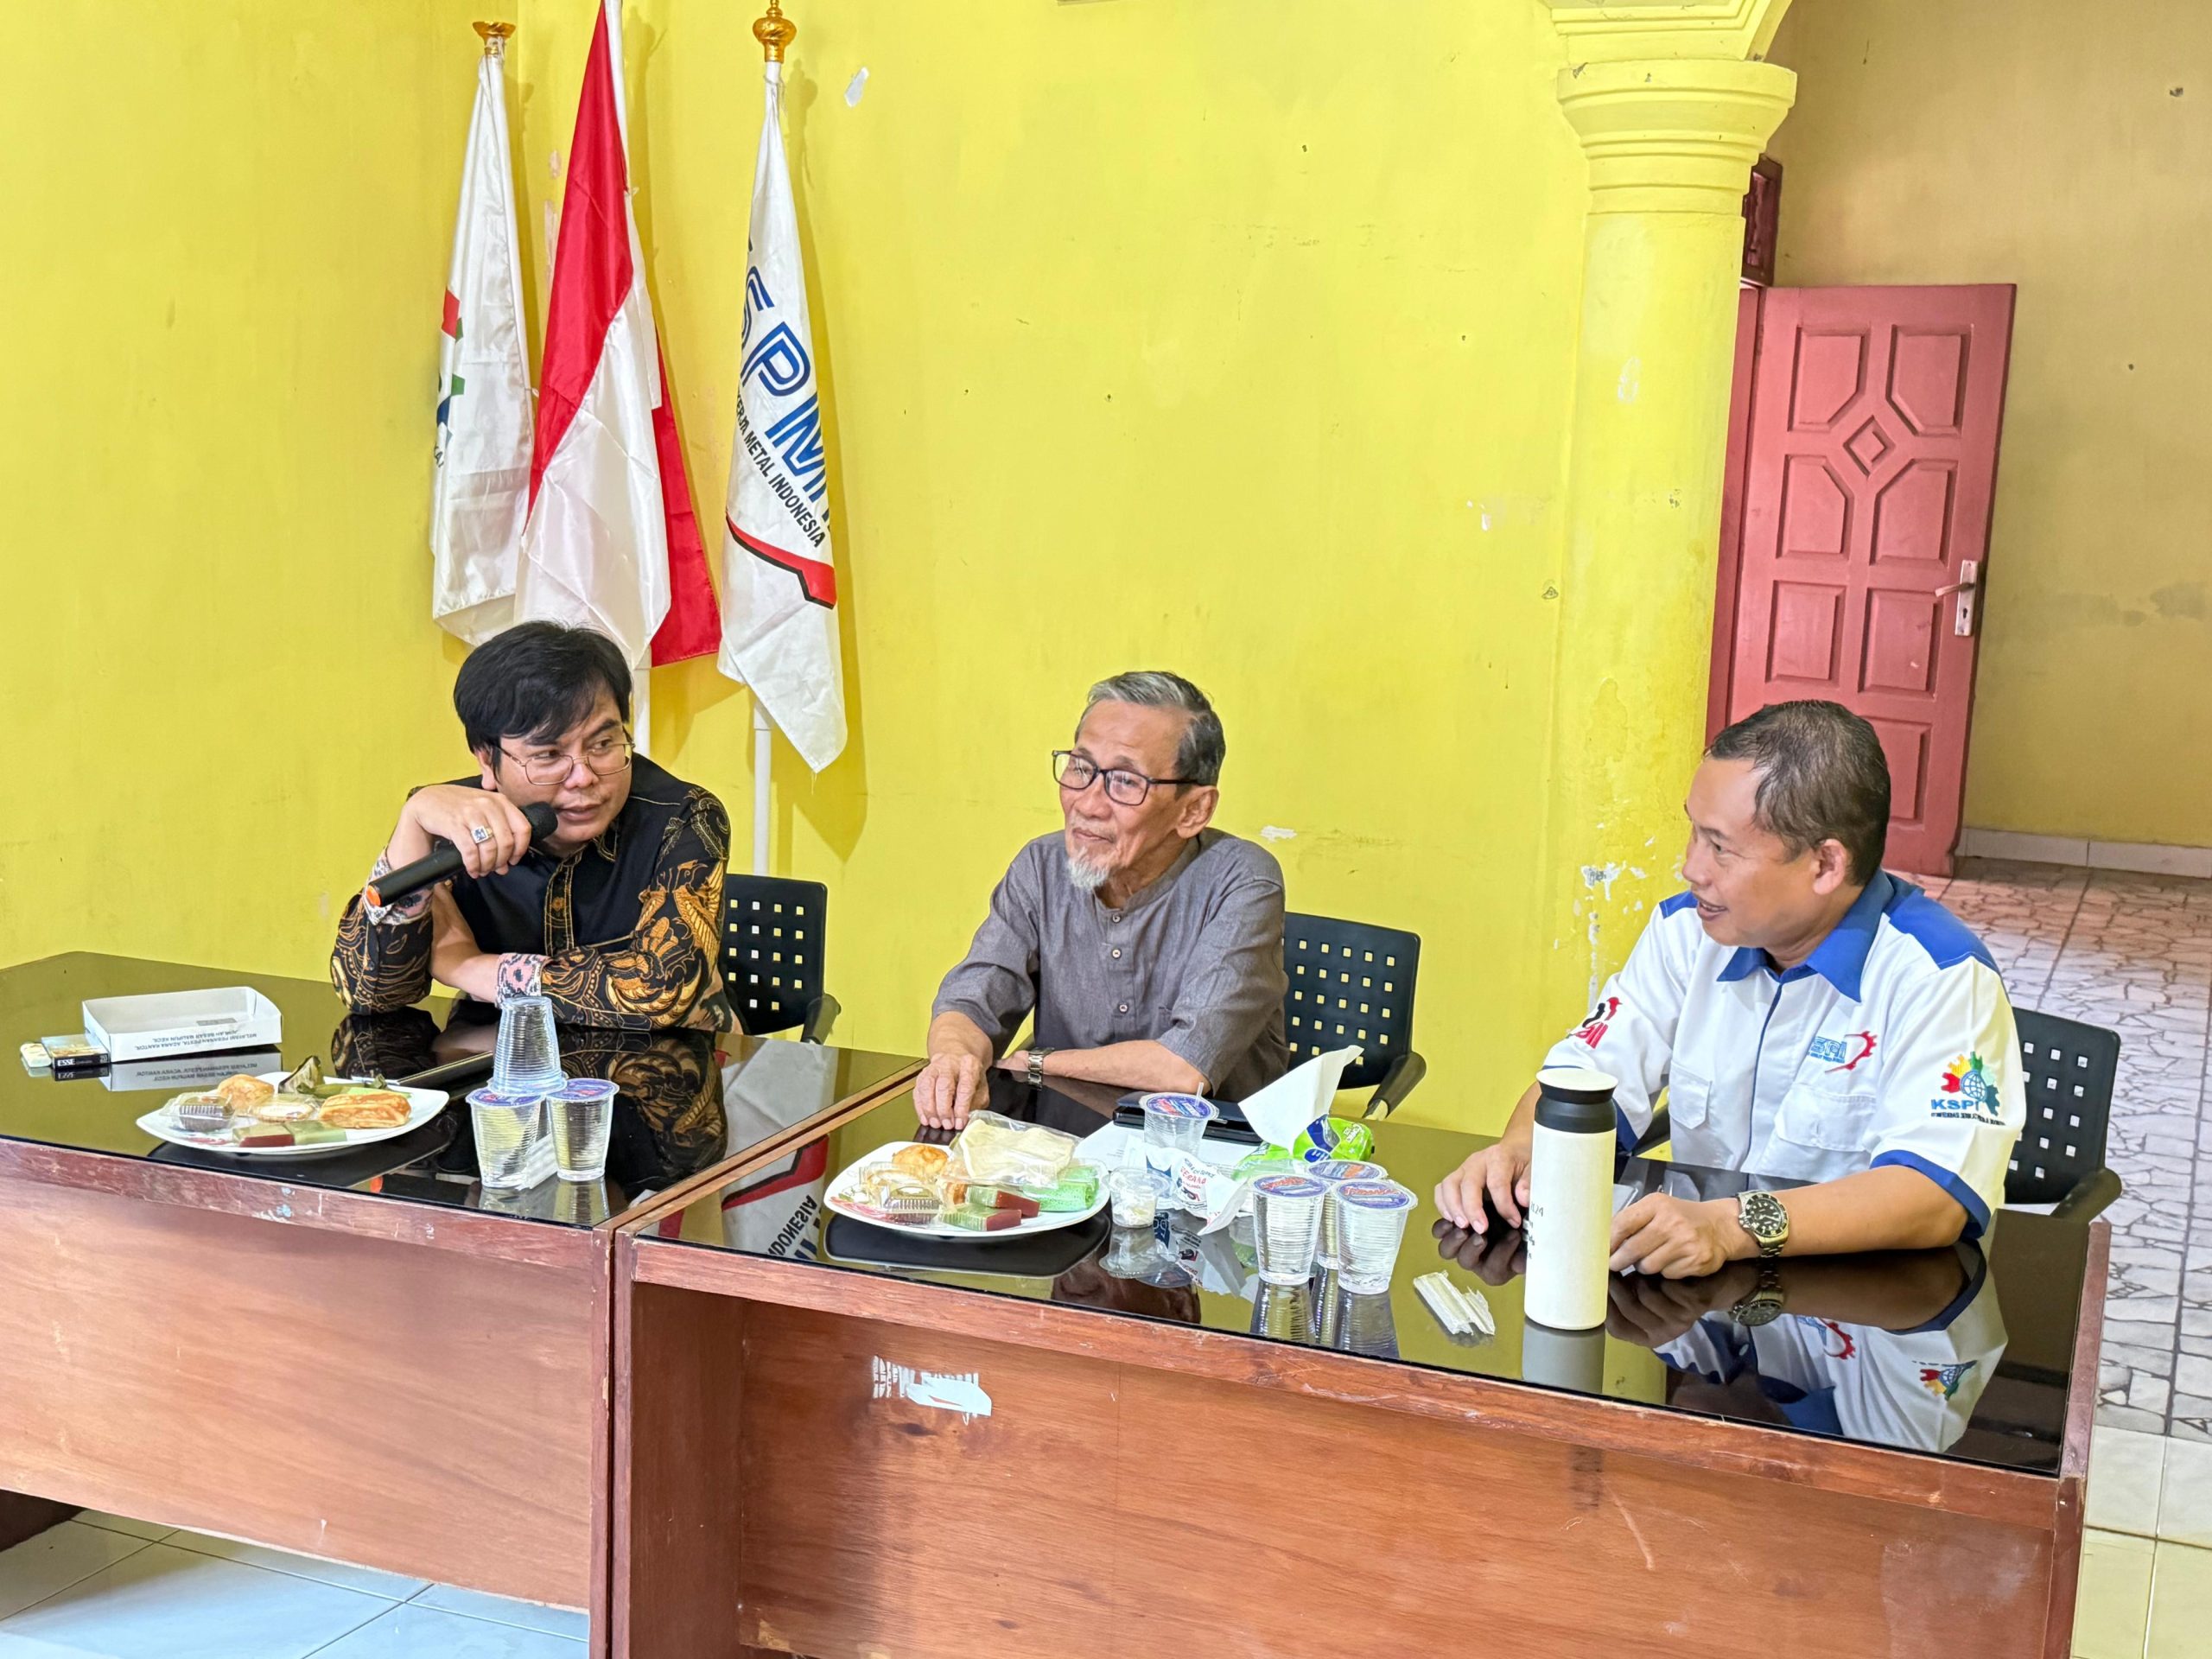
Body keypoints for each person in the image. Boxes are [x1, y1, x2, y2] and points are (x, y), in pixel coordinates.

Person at [1435, 699, 2025, 1275]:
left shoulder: (1940, 977)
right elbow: (1585, 1077)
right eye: (1693, 832)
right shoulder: (1685, 933)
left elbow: (1934, 1196)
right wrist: (1522, 1149)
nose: (1691, 868)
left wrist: (1732, 1226)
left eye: (1720, 847)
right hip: (1698, 1299)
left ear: (1825, 865)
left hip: (1855, 1308)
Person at [915, 671, 1287, 1128]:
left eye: (1126, 781)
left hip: (1208, 1152)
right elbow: (974, 999)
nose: (1087, 804)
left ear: (1194, 810)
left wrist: (1036, 1063)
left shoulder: (1243, 880)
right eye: (1080, 768)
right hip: (1058, 1149)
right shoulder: (1041, 865)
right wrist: (954, 1058)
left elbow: (1184, 1068)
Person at [331, 621, 732, 1031]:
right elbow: (370, 993)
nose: (583, 777)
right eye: (549, 755)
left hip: (661, 1065)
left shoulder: (681, 818)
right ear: (486, 759)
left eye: (602, 744)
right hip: (497, 1059)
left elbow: (658, 992)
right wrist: (413, 822)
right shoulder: (452, 822)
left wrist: (469, 968)